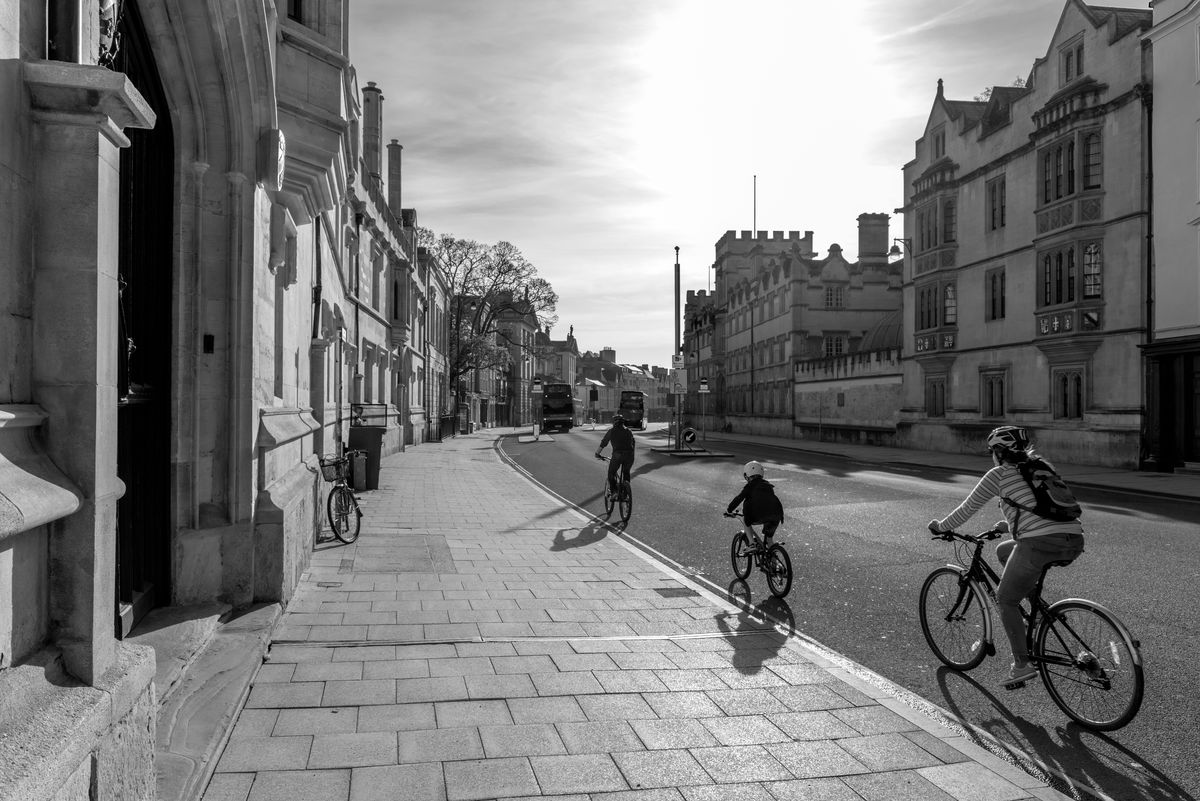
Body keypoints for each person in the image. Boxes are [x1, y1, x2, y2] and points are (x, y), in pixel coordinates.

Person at [928, 425, 1085, 689]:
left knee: (1005, 599)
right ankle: (1036, 610)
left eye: (992, 451)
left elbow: (968, 508)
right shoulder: (1041, 467)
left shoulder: (999, 474)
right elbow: (1041, 506)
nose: (992, 456)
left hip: (1039, 543)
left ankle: (1021, 665)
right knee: (1003, 550)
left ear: (1000, 452)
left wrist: (941, 526)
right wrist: (1007, 524)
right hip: (1073, 539)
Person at [726, 461, 784, 549]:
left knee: (746, 520)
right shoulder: (768, 486)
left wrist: (729, 510)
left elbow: (739, 498)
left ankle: (752, 544)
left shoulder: (749, 486)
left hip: (759, 515)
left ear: (746, 476)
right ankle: (774, 561)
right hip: (776, 515)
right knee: (769, 540)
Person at [595, 414, 636, 496]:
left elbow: (604, 443)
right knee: (626, 472)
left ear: (614, 423)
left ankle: (614, 492)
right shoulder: (629, 431)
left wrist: (597, 453)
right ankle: (625, 493)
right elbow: (633, 443)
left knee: (611, 473)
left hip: (618, 455)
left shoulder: (611, 431)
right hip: (630, 455)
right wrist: (631, 454)